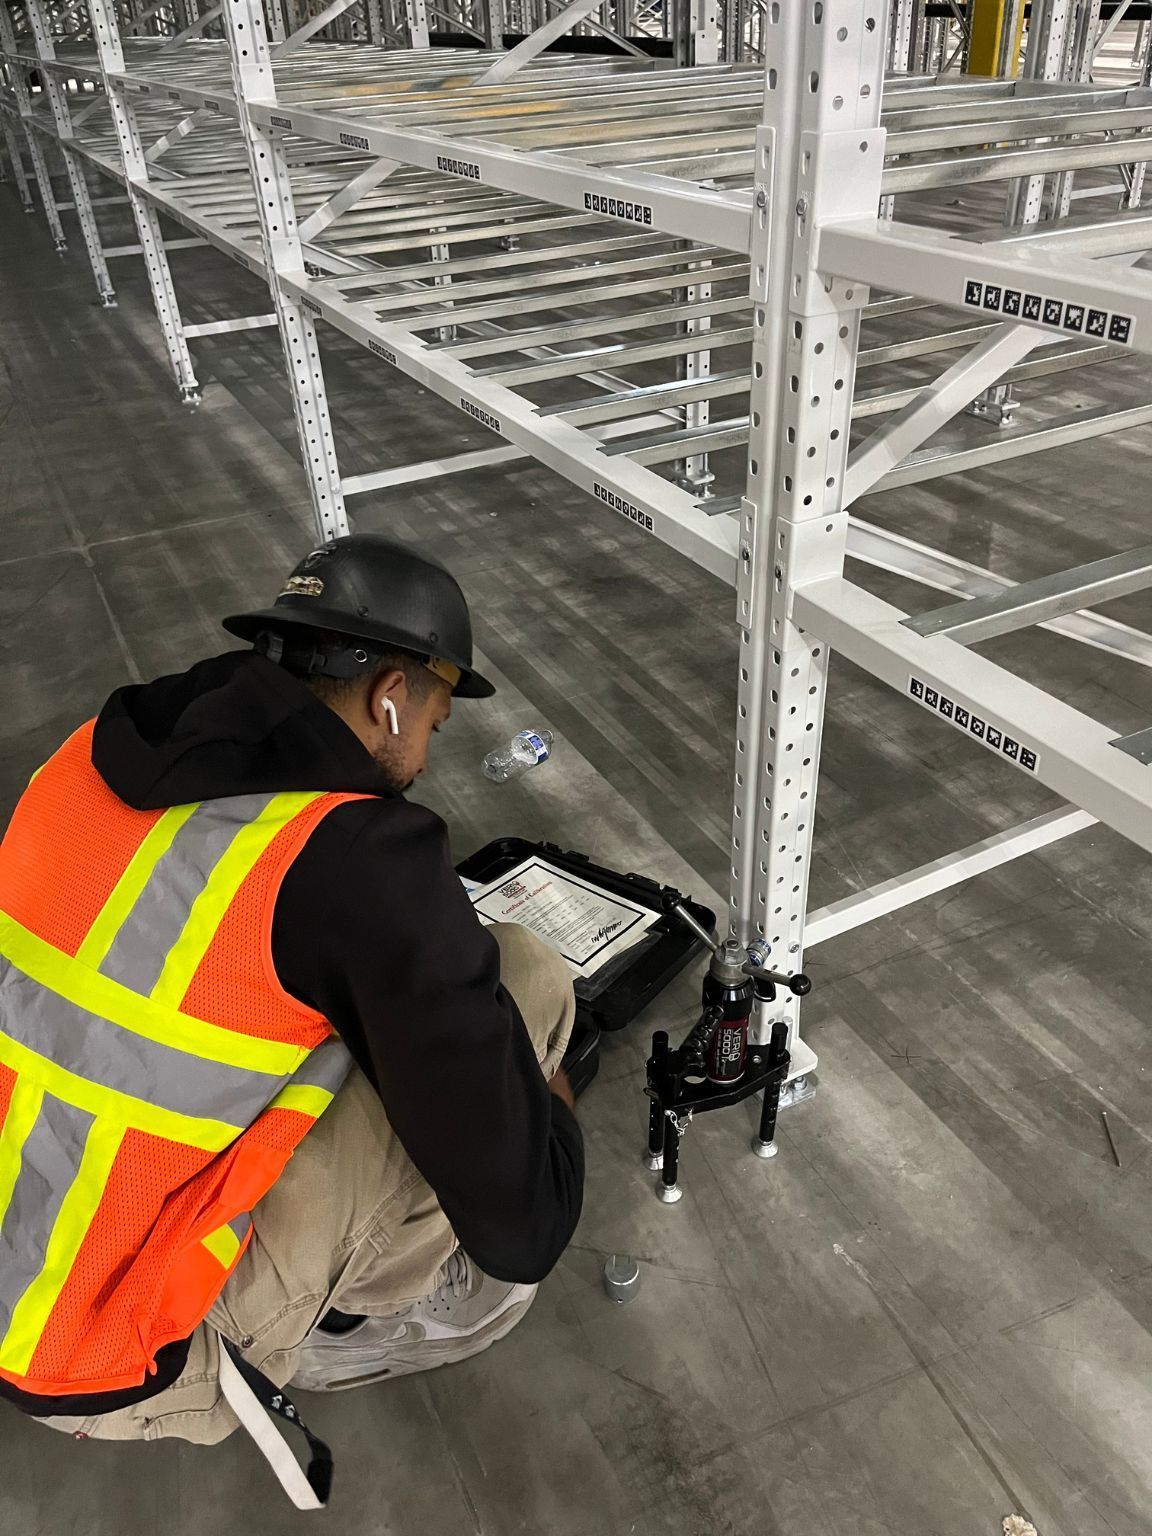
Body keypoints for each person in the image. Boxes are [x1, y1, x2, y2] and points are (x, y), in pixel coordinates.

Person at [0, 533, 583, 1503]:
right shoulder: (358, 861)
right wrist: (551, 1092)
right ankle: (349, 1326)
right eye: (434, 724)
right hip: (101, 1351)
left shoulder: (93, 750)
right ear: (390, 693)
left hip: (27, 1228)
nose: (428, 757)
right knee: (525, 980)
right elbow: (528, 1228)